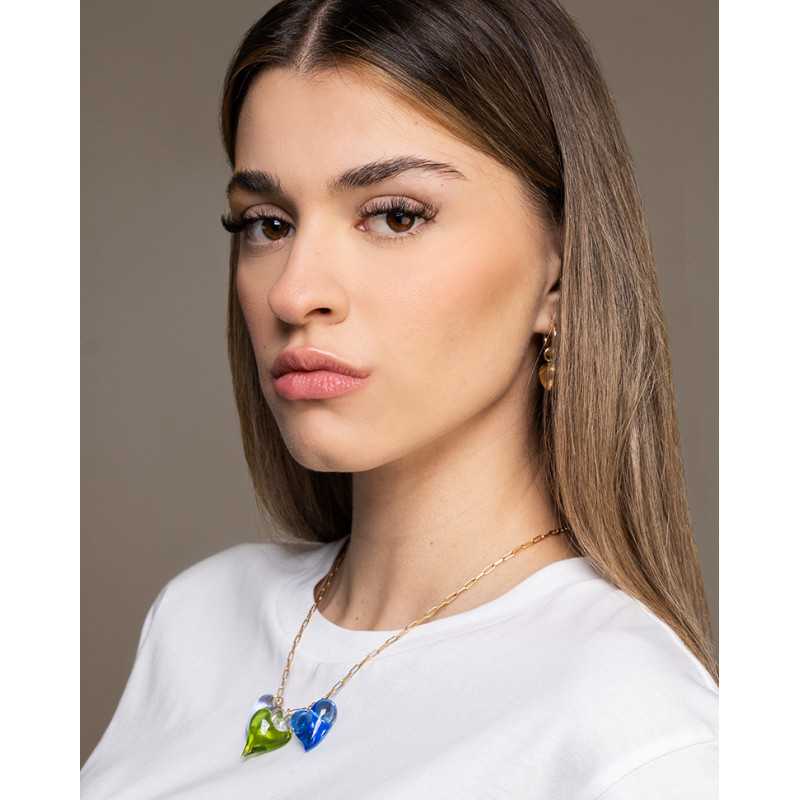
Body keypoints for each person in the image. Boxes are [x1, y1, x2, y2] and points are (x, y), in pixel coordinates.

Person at [81, 0, 718, 797]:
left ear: (558, 272)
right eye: (268, 224)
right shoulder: (199, 619)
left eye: (393, 216)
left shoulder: (638, 735)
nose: (294, 293)